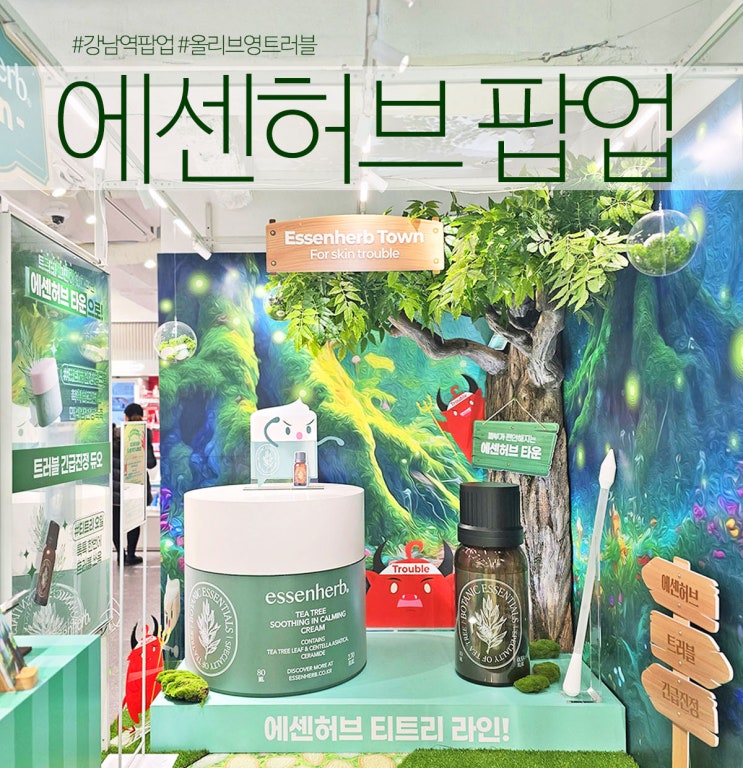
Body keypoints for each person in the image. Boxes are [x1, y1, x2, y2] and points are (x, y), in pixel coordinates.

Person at [112, 403, 157, 566]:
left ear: (126, 417)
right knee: (133, 521)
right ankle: (131, 555)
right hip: (135, 486)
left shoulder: (113, 435)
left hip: (116, 488)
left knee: (116, 523)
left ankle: (120, 554)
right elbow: (151, 463)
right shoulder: (144, 435)